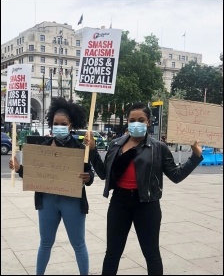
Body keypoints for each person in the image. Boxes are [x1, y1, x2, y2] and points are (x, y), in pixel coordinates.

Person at [84, 102, 203, 275]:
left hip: (147, 205)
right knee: (112, 253)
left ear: (148, 122)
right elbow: (103, 174)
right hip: (119, 203)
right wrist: (93, 150)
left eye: (141, 120)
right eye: (132, 120)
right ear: (127, 121)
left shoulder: (158, 148)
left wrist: (195, 157)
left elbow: (176, 175)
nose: (136, 123)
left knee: (151, 254)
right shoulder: (116, 145)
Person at [9, 97, 94, 275]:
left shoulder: (80, 149)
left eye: (63, 123)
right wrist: (19, 169)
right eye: (56, 123)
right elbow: (35, 174)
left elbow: (90, 175)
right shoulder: (44, 147)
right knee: (45, 243)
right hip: (47, 201)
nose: (59, 126)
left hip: (72, 202)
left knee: (78, 244)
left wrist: (88, 177)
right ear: (51, 123)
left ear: (71, 124)